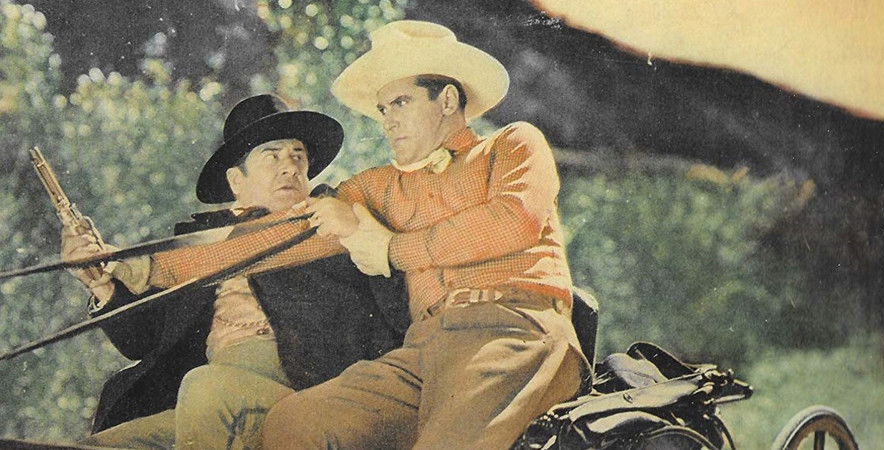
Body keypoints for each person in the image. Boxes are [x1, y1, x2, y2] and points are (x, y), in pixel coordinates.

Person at [143, 20, 589, 449]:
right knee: (297, 423)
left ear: (448, 100)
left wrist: (392, 249)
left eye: (400, 103)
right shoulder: (375, 187)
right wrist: (147, 268)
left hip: (513, 330)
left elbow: (511, 222)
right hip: (423, 349)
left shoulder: (512, 143)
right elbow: (278, 241)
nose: (387, 121)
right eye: (382, 109)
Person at [62, 94, 408, 450]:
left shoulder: (336, 220)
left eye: (298, 156)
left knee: (206, 389)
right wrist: (102, 284)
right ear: (235, 180)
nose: (290, 167)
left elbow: (397, 307)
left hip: (305, 397)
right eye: (272, 156)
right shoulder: (201, 243)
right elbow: (143, 341)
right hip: (209, 399)